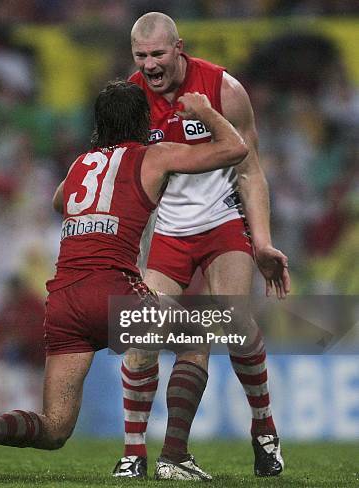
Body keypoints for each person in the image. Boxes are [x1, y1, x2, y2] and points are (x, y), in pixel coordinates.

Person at [0, 80, 248, 482]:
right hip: (112, 289)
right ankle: (175, 457)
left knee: (55, 427)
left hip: (63, 300)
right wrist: (205, 112)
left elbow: (60, 201)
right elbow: (236, 148)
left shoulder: (80, 164)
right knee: (194, 340)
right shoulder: (154, 155)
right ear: (141, 120)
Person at [112, 12, 290, 479]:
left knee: (233, 324)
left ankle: (264, 430)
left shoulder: (223, 88)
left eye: (157, 54)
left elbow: (251, 170)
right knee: (140, 334)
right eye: (141, 56)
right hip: (168, 233)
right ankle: (134, 453)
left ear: (179, 48)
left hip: (222, 226)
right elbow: (128, 176)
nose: (149, 65)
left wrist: (264, 243)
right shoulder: (131, 99)